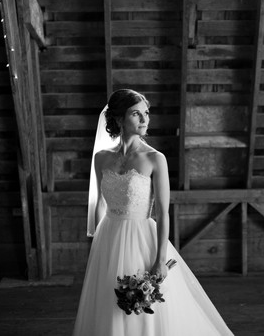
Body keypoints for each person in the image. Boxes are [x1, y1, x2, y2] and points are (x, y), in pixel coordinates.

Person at [73, 89, 233, 335]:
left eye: (146, 113)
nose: (144, 120)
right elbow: (100, 203)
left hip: (141, 238)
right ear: (117, 119)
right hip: (108, 237)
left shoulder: (155, 159)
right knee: (108, 303)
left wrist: (160, 260)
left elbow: (163, 212)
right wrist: (97, 247)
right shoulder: (101, 158)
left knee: (142, 304)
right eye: (136, 114)